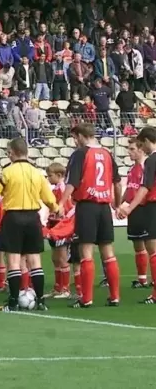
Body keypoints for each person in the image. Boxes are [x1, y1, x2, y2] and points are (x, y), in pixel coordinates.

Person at [0, 137, 58, 312]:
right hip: (32, 217)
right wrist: (56, 207)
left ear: (12, 152)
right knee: (35, 260)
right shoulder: (37, 173)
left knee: (13, 261)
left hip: (13, 218)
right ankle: (41, 301)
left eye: (8, 152)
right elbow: (48, 198)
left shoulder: (7, 172)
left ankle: (13, 302)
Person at [58, 122, 122, 308]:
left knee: (86, 252)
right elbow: (117, 183)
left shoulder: (80, 153)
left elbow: (72, 183)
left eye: (74, 137)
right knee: (108, 252)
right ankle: (115, 296)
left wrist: (61, 203)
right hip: (103, 208)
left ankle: (86, 299)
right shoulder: (107, 153)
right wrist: (116, 204)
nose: (74, 141)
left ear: (80, 136)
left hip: (86, 206)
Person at [117, 127, 156, 304]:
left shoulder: (151, 161)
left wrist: (129, 207)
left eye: (141, 144)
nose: (142, 148)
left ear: (147, 141)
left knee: (152, 249)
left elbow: (145, 187)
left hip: (151, 207)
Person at [119, 138, 150, 289]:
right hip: (133, 210)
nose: (129, 152)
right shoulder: (132, 169)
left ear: (141, 150)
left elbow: (146, 190)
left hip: (144, 209)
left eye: (132, 149)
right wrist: (120, 203)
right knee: (138, 245)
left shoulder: (147, 168)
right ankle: (142, 279)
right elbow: (130, 188)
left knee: (151, 246)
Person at [44, 162, 74, 299]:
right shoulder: (56, 188)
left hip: (60, 226)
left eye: (50, 175)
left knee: (62, 257)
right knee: (55, 258)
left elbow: (67, 208)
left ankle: (65, 289)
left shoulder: (63, 189)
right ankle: (58, 287)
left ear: (59, 175)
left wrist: (63, 222)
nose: (48, 178)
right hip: (53, 225)